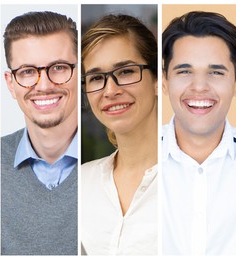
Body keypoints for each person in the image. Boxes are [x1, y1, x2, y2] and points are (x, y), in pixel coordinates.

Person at [161, 11, 236, 255]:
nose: (199, 87)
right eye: (185, 71)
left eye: (215, 72)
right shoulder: (139, 160)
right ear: (164, 81)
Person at [1, 11, 78, 255]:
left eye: (58, 68)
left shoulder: (110, 163)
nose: (44, 85)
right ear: (10, 84)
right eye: (27, 72)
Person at [80, 14, 158, 255]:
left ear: (157, 80)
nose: (110, 90)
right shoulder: (81, 182)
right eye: (96, 78)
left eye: (125, 72)